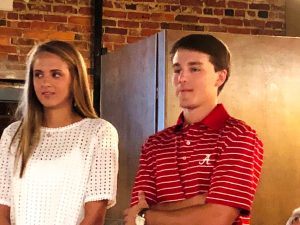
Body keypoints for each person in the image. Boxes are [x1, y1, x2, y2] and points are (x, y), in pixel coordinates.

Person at [124, 34, 264, 225]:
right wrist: (198, 202)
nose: (182, 78)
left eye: (195, 69)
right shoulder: (154, 144)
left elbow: (218, 218)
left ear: (220, 77)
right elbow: (135, 211)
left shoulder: (238, 136)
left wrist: (149, 216)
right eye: (177, 69)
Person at [0, 40, 119, 225]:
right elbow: (2, 210)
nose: (45, 82)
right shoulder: (13, 135)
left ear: (75, 79)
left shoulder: (99, 133)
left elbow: (94, 217)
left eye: (56, 74)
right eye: (38, 75)